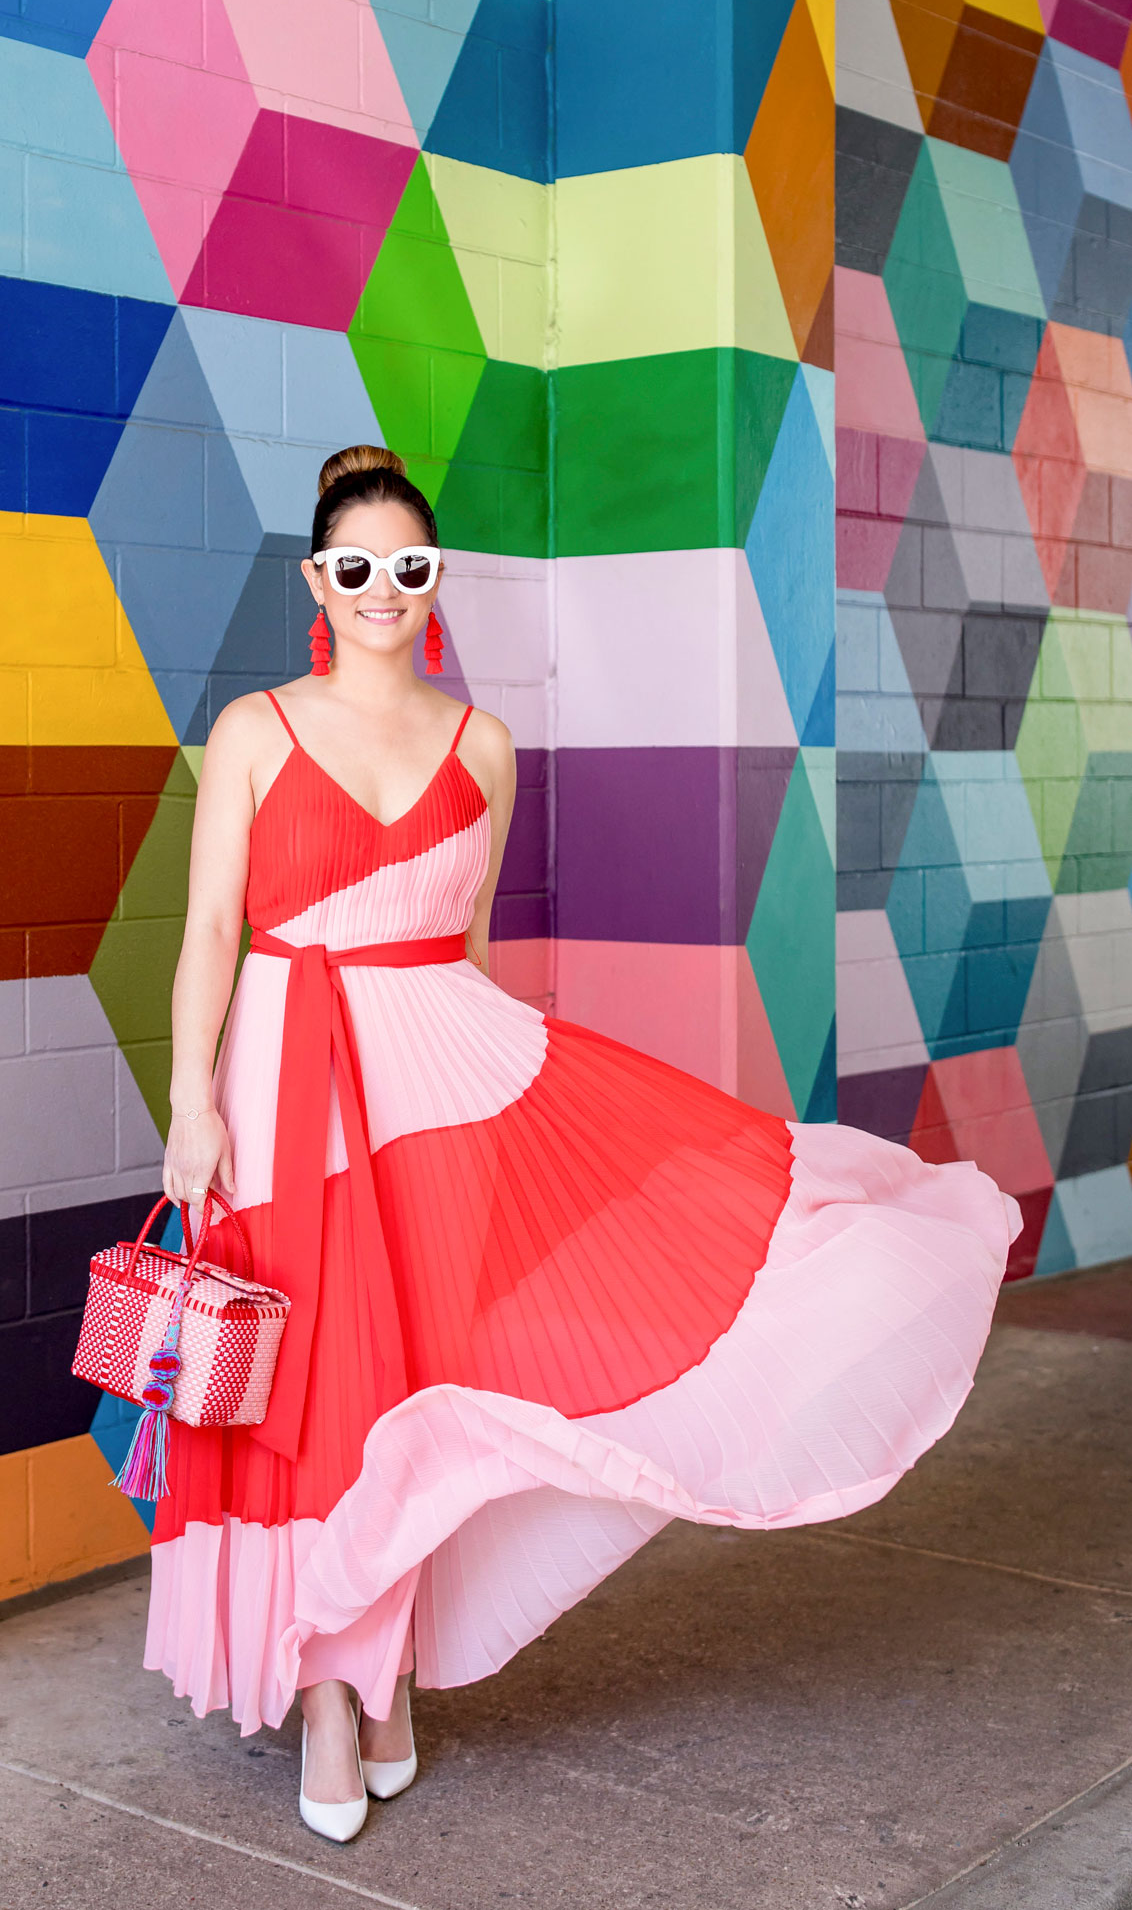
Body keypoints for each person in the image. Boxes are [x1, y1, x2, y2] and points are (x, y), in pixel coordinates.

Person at [150, 444, 1019, 1843]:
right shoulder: (255, 728)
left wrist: (547, 1105)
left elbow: (472, 952)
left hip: (447, 1082)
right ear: (319, 579)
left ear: (438, 581)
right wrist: (192, 1097)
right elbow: (208, 931)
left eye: (411, 568)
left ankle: (382, 1675)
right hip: (281, 1085)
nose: (386, 590)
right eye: (358, 567)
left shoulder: (482, 742)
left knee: (427, 1382)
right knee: (320, 1387)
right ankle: (334, 1690)